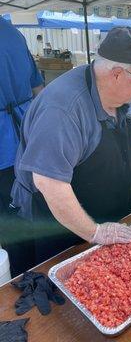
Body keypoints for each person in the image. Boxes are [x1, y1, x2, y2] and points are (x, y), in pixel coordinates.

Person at [9, 27, 131, 276]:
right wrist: (96, 232)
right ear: (117, 74)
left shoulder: (126, 95)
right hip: (61, 227)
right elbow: (49, 183)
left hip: (110, 219)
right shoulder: (62, 110)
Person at [0, 17, 44, 270]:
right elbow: (38, 88)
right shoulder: (14, 34)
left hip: (5, 148)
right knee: (29, 207)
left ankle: (21, 276)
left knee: (9, 220)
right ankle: (37, 268)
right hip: (26, 139)